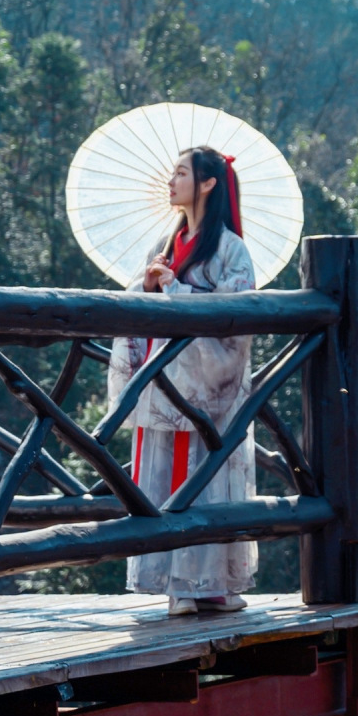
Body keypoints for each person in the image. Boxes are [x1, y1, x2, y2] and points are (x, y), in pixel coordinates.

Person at [107, 145, 259, 616]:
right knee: (166, 474)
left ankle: (211, 583)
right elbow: (138, 294)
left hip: (207, 382)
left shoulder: (232, 249)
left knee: (207, 474)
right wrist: (150, 286)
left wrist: (175, 288)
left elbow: (236, 311)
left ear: (208, 183)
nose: (171, 182)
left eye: (180, 173)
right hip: (164, 378)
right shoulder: (166, 241)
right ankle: (178, 584)